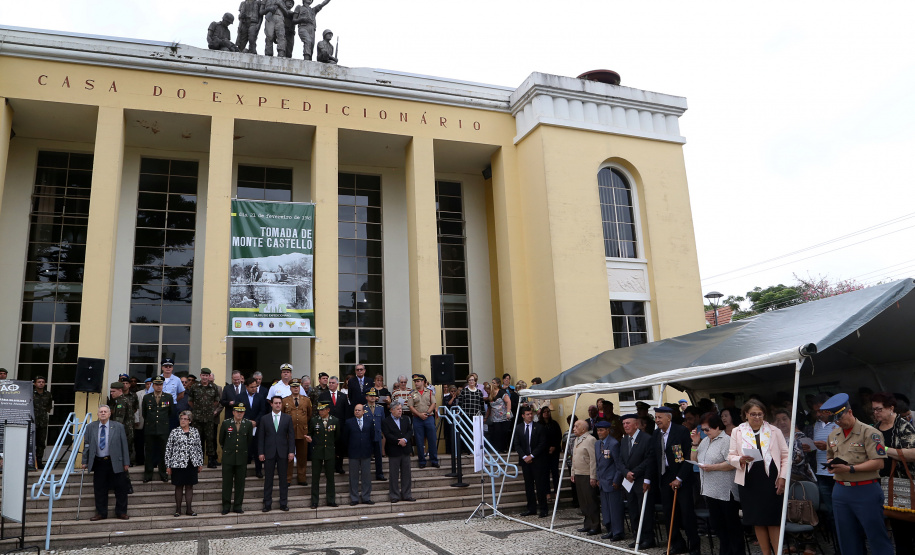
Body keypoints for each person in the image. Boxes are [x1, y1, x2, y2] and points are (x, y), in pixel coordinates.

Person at [820, 392, 893, 555]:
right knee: (847, 539)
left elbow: (878, 462)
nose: (838, 422)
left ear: (850, 412)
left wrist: (851, 469)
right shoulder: (833, 435)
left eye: (840, 418)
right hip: (841, 491)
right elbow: (829, 455)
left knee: (876, 536)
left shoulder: (870, 433)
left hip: (865, 490)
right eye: (834, 420)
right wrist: (831, 465)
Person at [727, 399, 789, 555]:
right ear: (746, 414)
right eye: (753, 414)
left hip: (771, 479)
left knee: (773, 520)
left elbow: (786, 455)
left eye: (760, 414)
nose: (757, 417)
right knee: (757, 520)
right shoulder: (737, 431)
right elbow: (731, 456)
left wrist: (782, 477)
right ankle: (765, 553)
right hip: (749, 480)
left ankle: (778, 552)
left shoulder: (774, 431)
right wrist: (740, 459)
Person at [691, 412, 743, 555]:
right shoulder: (705, 441)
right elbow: (694, 460)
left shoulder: (726, 440)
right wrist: (695, 443)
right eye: (703, 429)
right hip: (710, 490)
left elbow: (732, 463)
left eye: (707, 429)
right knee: (718, 526)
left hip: (725, 491)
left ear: (717, 426)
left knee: (731, 526)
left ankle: (737, 552)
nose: (705, 432)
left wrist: (712, 467)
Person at [652, 406, 700, 554]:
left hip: (681, 475)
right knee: (668, 513)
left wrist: (679, 478)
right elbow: (654, 457)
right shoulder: (656, 434)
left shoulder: (681, 431)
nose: (657, 420)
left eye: (660, 417)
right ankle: (677, 543)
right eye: (656, 417)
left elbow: (688, 456)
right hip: (665, 475)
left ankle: (694, 546)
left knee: (686, 513)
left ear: (669, 418)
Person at [872, 392, 915, 555]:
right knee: (898, 531)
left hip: (904, 484)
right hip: (882, 484)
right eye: (874, 410)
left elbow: (913, 454)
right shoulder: (874, 428)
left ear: (891, 408)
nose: (876, 413)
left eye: (879, 409)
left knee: (908, 526)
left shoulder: (903, 426)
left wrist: (885, 449)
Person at [82, 405, 130, 521]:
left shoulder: (118, 426)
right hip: (99, 462)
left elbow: (124, 445)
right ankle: (101, 513)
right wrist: (85, 461)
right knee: (100, 489)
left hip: (115, 461)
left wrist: (126, 462)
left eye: (105, 412)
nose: (103, 413)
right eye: (101, 412)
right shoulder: (90, 427)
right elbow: (87, 445)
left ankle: (121, 512)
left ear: (109, 414)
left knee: (120, 488)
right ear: (98, 414)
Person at [619, 413, 655, 549]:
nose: (625, 426)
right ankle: (637, 537)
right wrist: (625, 472)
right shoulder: (624, 440)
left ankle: (648, 538)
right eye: (623, 424)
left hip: (641, 479)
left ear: (636, 424)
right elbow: (620, 461)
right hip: (629, 480)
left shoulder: (646, 439)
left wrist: (634, 473)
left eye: (628, 423)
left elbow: (649, 459)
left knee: (644, 510)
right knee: (633, 510)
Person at [257, 395, 295, 512]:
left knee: (283, 480)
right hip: (269, 453)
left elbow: (291, 436)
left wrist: (291, 451)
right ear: (271, 404)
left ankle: (283, 503)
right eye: (276, 403)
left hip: (283, 452)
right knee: (268, 479)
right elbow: (261, 437)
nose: (278, 405)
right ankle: (267, 503)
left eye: (279, 403)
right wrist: (261, 452)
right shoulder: (265, 419)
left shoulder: (287, 418)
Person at [164, 411, 203, 517]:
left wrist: (200, 463)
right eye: (181, 419)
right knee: (179, 486)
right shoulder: (174, 432)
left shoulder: (195, 431)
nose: (183, 421)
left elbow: (199, 448)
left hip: (191, 463)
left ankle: (189, 509)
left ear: (190, 421)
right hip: (178, 463)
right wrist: (168, 465)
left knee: (189, 486)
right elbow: (168, 449)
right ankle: (178, 509)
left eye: (185, 419)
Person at [219, 403, 254, 514]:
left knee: (240, 483)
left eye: (242, 412)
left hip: (241, 458)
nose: (239, 414)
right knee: (227, 483)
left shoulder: (248, 424)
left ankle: (238, 505)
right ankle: (226, 505)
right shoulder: (226, 423)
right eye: (238, 412)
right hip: (228, 458)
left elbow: (249, 440)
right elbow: (221, 440)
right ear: (233, 412)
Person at [515, 405, 549, 518]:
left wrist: (532, 455)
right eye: (528, 414)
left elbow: (542, 443)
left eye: (531, 414)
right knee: (528, 485)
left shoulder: (539, 427)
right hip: (525, 461)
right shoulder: (519, 428)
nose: (530, 416)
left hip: (537, 460)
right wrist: (524, 456)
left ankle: (543, 508)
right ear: (523, 416)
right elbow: (517, 444)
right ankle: (531, 508)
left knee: (540, 485)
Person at [594, 420, 625, 540]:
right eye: (598, 430)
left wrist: (616, 480)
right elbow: (598, 463)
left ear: (608, 430)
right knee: (606, 509)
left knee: (615, 508)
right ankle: (610, 529)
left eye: (601, 430)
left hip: (612, 481)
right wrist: (598, 478)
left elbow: (618, 464)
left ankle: (618, 532)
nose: (599, 432)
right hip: (603, 481)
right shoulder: (597, 444)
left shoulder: (613, 444)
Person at [306, 401, 341, 508]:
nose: (320, 412)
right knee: (315, 477)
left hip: (329, 452)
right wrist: (309, 439)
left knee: (330, 477)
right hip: (317, 451)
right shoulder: (314, 420)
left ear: (328, 410)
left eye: (322, 410)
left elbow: (337, 437)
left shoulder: (335, 420)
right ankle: (314, 501)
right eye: (319, 410)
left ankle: (331, 499)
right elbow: (310, 433)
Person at [142, 376, 175, 483]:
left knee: (163, 451)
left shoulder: (168, 397)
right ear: (153, 385)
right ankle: (148, 474)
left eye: (160, 384)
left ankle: (163, 473)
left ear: (163, 385)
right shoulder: (147, 397)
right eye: (156, 384)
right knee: (149, 452)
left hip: (163, 428)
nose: (158, 386)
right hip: (150, 428)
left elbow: (171, 413)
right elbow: (144, 413)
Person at [570, 419, 600, 535]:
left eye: (576, 426)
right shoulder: (577, 439)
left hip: (587, 474)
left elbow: (593, 459)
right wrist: (573, 472)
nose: (574, 429)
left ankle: (595, 525)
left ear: (583, 429)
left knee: (590, 500)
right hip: (579, 473)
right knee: (583, 501)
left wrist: (593, 476)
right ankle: (587, 524)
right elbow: (574, 457)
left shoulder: (590, 439)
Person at [187, 368, 221, 468]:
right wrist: (197, 409)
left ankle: (210, 460)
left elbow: (216, 400)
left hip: (209, 418)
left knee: (210, 439)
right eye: (203, 375)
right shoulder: (195, 387)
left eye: (207, 375)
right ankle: (198, 461)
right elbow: (190, 401)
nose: (205, 377)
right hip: (197, 418)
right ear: (200, 376)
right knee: (197, 439)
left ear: (209, 376)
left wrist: (209, 409)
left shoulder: (213, 387)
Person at [382, 402, 415, 503]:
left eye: (401, 409)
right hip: (394, 450)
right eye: (398, 409)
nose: (400, 411)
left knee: (406, 474)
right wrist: (398, 441)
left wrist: (405, 439)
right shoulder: (386, 421)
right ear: (392, 410)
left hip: (405, 449)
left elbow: (410, 431)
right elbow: (387, 434)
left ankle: (407, 494)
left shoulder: (405, 419)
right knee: (394, 474)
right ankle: (394, 495)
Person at [282, 378, 312, 486]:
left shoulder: (306, 400)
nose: (296, 388)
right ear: (290, 388)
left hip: (302, 432)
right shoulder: (285, 401)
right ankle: (287, 479)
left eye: (297, 386)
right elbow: (282, 416)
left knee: (302, 456)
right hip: (289, 432)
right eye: (293, 387)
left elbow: (309, 414)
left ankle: (302, 478)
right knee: (289, 456)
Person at [343, 404, 375, 505]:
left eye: (359, 410)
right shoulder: (349, 422)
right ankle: (354, 498)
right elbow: (345, 438)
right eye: (355, 410)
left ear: (363, 411)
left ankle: (366, 497)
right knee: (353, 476)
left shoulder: (369, 421)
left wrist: (371, 450)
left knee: (366, 476)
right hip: (353, 452)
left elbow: (372, 436)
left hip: (366, 452)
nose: (357, 412)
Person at [236, 376, 268, 478]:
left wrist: (256, 422)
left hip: (257, 426)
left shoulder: (260, 397)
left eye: (255, 387)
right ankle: (243, 470)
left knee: (258, 448)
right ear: (246, 386)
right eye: (252, 387)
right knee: (244, 449)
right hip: (244, 425)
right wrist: (247, 421)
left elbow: (262, 411)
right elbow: (238, 411)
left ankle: (258, 470)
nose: (254, 389)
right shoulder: (240, 397)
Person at [773, 409, 815, 482]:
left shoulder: (800, 437)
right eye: (778, 420)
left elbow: (797, 458)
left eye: (784, 419)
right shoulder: (773, 438)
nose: (782, 422)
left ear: (791, 420)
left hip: (797, 478)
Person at [407, 374, 439, 468]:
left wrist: (427, 413)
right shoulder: (412, 393)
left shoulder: (429, 392)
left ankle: (434, 460)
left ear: (423, 382)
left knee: (432, 439)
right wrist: (419, 414)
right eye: (415, 381)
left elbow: (433, 403)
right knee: (419, 441)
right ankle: (422, 461)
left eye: (418, 381)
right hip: (417, 418)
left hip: (429, 418)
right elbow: (410, 406)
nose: (416, 383)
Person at [319, 376, 349, 473]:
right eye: (330, 383)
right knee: (328, 447)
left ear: (337, 384)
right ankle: (329, 467)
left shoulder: (343, 396)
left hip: (340, 426)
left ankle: (339, 466)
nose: (331, 384)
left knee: (340, 447)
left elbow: (346, 411)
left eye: (333, 383)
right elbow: (320, 411)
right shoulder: (323, 396)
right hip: (327, 425)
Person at [538, 406, 562, 500]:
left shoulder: (554, 424)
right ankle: (547, 493)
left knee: (555, 472)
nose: (546, 413)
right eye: (544, 412)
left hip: (554, 451)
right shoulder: (539, 425)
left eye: (548, 411)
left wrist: (554, 446)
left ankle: (556, 492)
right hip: (543, 452)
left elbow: (559, 436)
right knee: (545, 473)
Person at [363, 388, 386, 480]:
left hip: (377, 434)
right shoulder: (363, 408)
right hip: (366, 435)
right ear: (366, 397)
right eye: (370, 396)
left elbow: (383, 422)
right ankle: (366, 475)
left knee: (378, 456)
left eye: (374, 396)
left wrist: (383, 433)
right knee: (366, 456)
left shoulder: (380, 408)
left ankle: (379, 474)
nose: (372, 397)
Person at [33, 376, 53, 468]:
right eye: (39, 382)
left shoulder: (48, 394)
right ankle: (30, 460)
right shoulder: (30, 393)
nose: (41, 383)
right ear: (35, 383)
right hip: (32, 421)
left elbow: (49, 406)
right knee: (30, 441)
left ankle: (39, 461)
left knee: (41, 442)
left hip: (43, 421)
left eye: (43, 382)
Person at [488, 378, 512, 453]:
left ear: (498, 384)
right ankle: (498, 448)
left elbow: (508, 401)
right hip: (495, 417)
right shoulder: (491, 393)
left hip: (504, 415)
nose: (492, 384)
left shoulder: (502, 392)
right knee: (497, 432)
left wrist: (508, 412)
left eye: (494, 383)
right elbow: (489, 406)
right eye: (492, 382)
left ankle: (504, 448)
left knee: (504, 432)